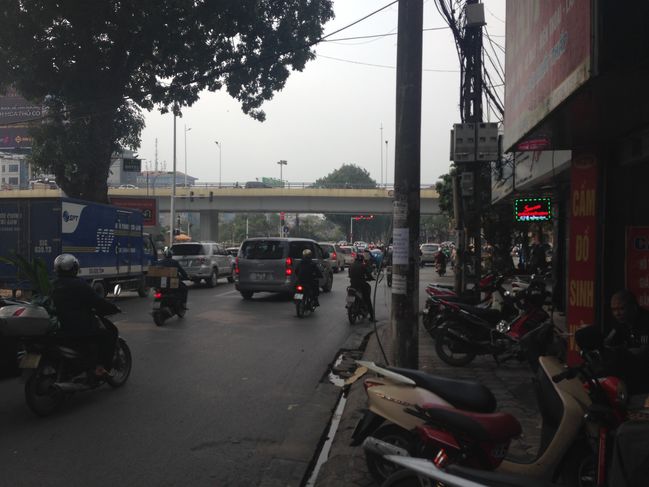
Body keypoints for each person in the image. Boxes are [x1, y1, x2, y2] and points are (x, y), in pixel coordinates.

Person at [50, 254, 120, 377]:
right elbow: (97, 301)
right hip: (79, 328)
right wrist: (113, 308)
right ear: (74, 268)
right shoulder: (80, 284)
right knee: (109, 333)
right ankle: (100, 367)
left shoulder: (52, 284)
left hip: (58, 328)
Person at [606, 289, 649, 393]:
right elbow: (607, 343)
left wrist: (622, 353)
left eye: (621, 308)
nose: (617, 313)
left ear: (633, 307)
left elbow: (644, 352)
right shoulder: (621, 324)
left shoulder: (645, 321)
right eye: (614, 310)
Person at [349, 252, 376, 322]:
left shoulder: (351, 265)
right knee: (368, 300)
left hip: (352, 285)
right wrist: (371, 278)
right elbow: (368, 274)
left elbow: (350, 275)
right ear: (362, 260)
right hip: (361, 285)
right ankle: (372, 317)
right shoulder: (362, 266)